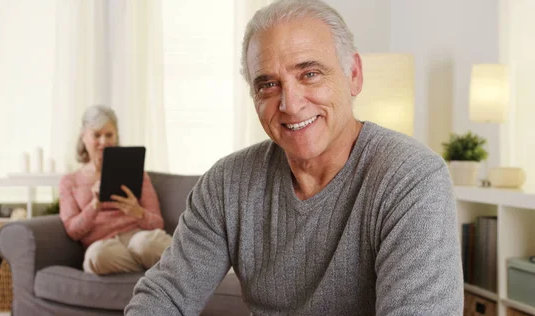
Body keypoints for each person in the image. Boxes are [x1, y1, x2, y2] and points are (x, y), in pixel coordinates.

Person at [126, 0, 463, 315]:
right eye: (268, 84)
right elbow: (164, 295)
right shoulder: (227, 183)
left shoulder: (412, 178)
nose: (289, 103)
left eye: (309, 74)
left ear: (354, 75)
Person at [59, 105, 172, 275]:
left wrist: (137, 212)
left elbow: (157, 223)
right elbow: (73, 231)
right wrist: (94, 206)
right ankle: (156, 267)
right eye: (97, 135)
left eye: (109, 135)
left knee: (144, 244)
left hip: (138, 237)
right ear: (84, 137)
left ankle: (198, 267)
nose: (103, 142)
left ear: (116, 137)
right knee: (96, 257)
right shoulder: (70, 181)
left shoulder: (137, 173)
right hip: (105, 247)